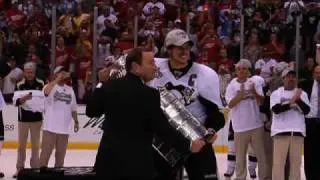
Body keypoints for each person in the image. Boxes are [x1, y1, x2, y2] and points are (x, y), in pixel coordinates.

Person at [86, 48, 206, 179]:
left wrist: (101, 84)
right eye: (151, 63)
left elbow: (91, 111)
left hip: (107, 164)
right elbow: (162, 129)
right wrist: (189, 145)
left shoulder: (109, 86)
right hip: (136, 167)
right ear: (135, 67)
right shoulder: (149, 94)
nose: (156, 68)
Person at [149, 29, 225, 180]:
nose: (185, 51)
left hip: (197, 140)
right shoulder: (155, 67)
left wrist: (211, 129)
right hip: (165, 139)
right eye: (179, 48)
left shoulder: (205, 74)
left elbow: (217, 115)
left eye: (187, 47)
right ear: (169, 49)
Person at [225, 59, 271, 180]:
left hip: (256, 126)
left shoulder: (254, 83)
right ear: (236, 71)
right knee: (240, 157)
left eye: (244, 68)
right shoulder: (232, 85)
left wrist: (254, 92)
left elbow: (262, 101)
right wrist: (239, 96)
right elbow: (229, 105)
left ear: (249, 71)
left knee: (261, 155)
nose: (241, 71)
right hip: (239, 128)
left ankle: (264, 177)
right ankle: (241, 177)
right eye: (239, 69)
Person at [270, 69, 310, 180]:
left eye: (293, 76)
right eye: (288, 76)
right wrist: (293, 101)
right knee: (278, 164)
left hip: (297, 132)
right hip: (280, 132)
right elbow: (276, 109)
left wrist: (297, 100)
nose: (291, 79)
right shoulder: (276, 93)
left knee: (296, 165)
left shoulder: (303, 94)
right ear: (283, 79)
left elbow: (306, 110)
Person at [39, 66, 79, 168]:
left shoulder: (70, 89)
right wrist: (56, 80)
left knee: (60, 158)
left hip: (64, 129)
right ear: (56, 74)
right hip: (50, 128)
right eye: (60, 73)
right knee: (44, 156)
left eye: (64, 72)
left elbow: (73, 107)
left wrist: (76, 121)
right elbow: (46, 92)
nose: (63, 74)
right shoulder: (50, 86)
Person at [13, 62, 44, 178]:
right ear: (24, 72)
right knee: (21, 146)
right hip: (23, 120)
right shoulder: (19, 84)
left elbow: (44, 100)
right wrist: (23, 99)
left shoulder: (41, 83)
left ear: (34, 72)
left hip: (37, 120)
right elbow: (15, 103)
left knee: (36, 146)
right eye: (27, 72)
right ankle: (19, 169)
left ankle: (35, 168)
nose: (29, 74)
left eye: (31, 72)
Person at [299, 65, 320, 180]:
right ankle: (310, 177)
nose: (319, 75)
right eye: (316, 72)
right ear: (313, 74)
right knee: (309, 152)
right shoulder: (306, 85)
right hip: (310, 123)